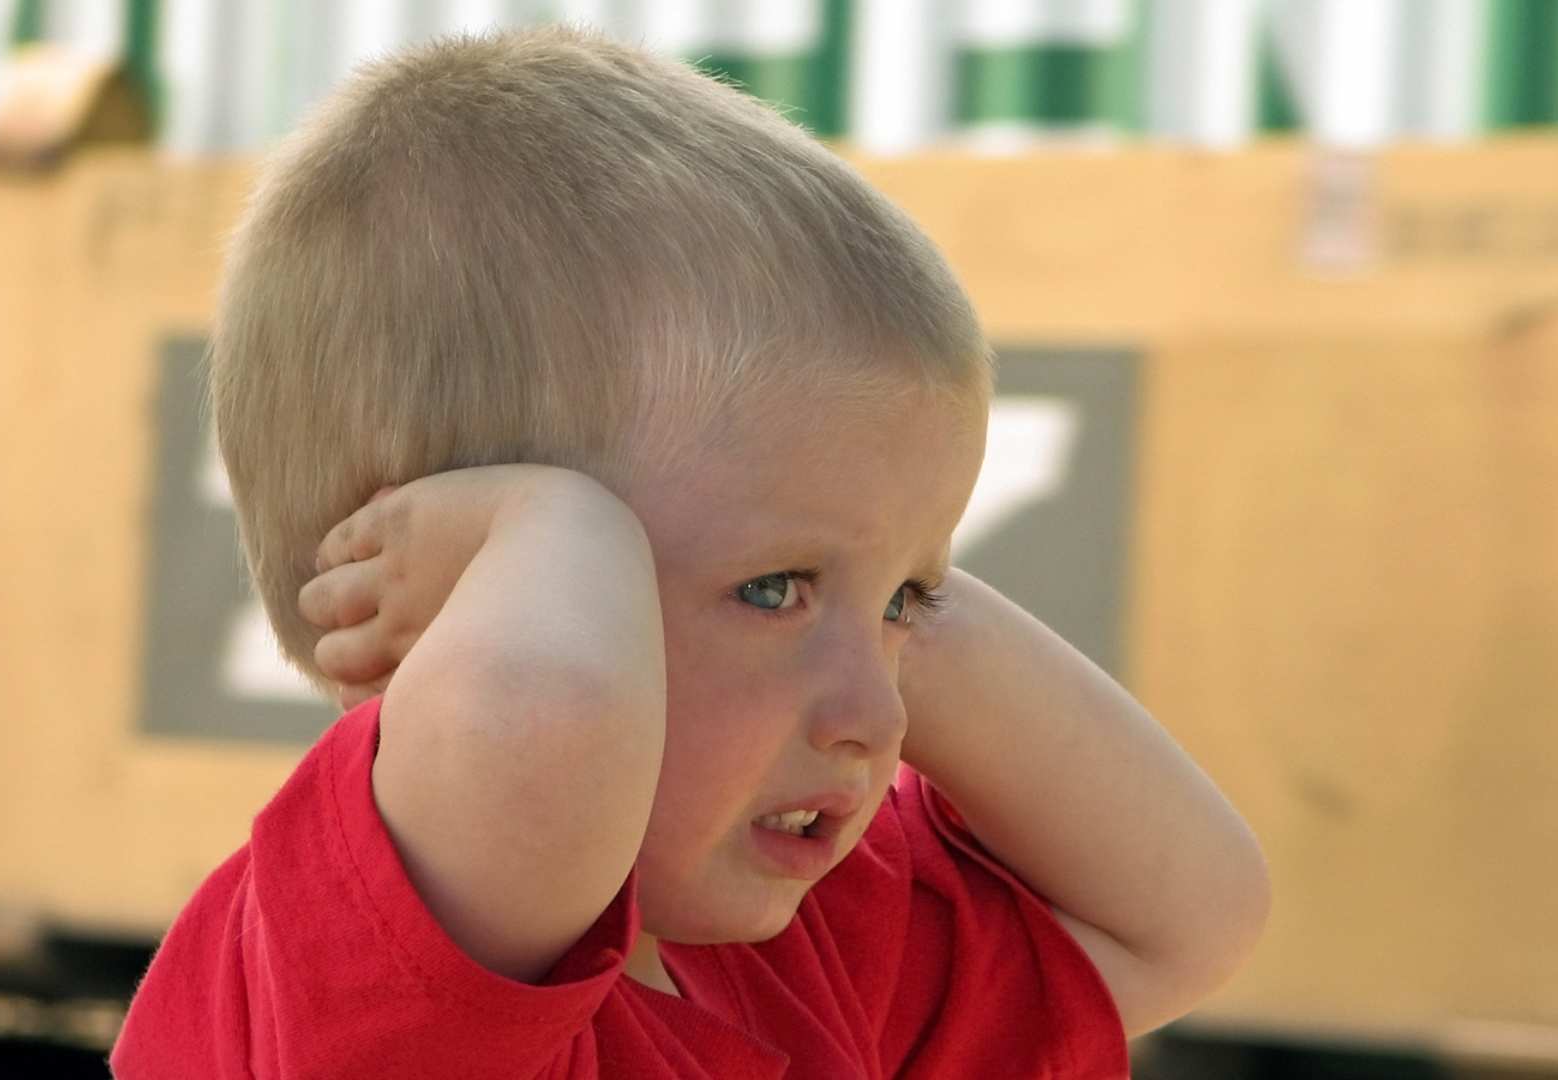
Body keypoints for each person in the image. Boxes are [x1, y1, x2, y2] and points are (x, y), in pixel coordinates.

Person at [110, 25, 1269, 1079]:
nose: (879, 715)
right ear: (450, 582)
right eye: (771, 590)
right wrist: (557, 532)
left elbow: (1186, 917)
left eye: (905, 606)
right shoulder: (369, 979)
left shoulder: (805, 951)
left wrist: (875, 570)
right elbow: (542, 714)